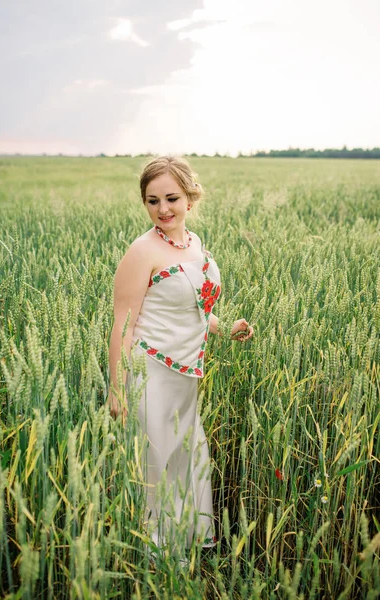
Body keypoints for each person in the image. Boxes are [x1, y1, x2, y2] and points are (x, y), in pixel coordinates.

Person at [107, 155, 254, 551]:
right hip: (150, 371)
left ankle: (183, 542)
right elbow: (123, 323)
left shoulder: (194, 245)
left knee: (184, 456)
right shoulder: (142, 251)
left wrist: (225, 328)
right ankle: (152, 552)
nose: (163, 209)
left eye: (171, 198)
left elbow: (195, 308)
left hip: (185, 375)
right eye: (152, 200)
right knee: (154, 461)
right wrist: (117, 388)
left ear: (190, 197)